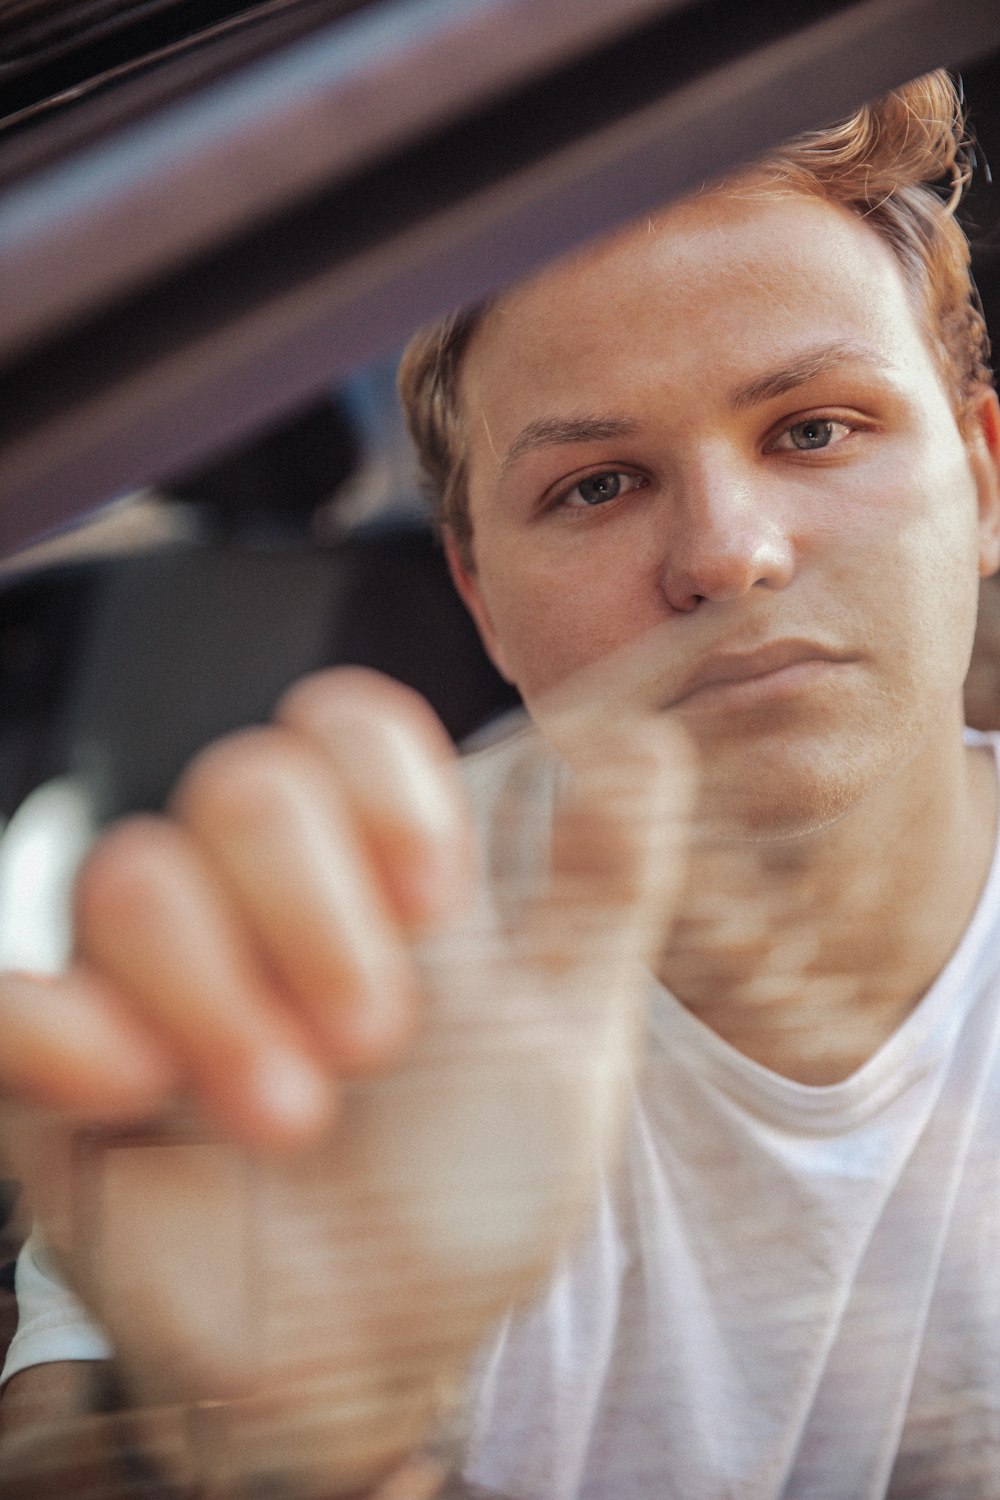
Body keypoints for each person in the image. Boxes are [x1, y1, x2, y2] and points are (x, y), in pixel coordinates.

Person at [0, 65, 998, 1498]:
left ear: (982, 478)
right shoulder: (347, 963)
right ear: (477, 592)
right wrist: (288, 1446)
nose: (727, 554)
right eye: (595, 484)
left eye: (814, 429)